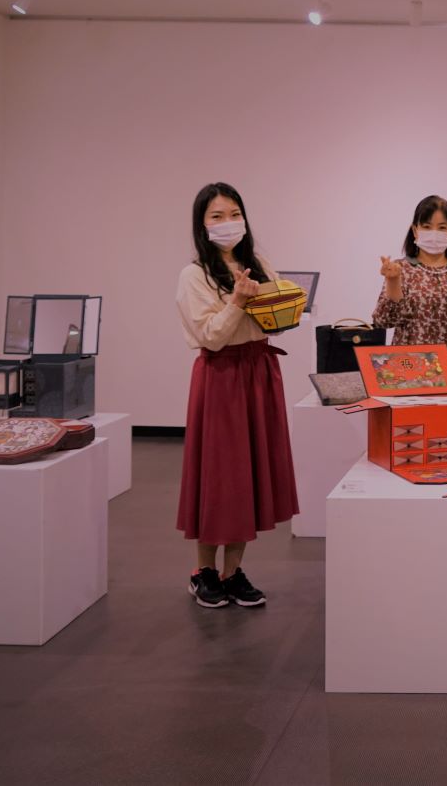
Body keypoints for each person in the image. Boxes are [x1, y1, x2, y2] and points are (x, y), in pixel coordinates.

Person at [174, 182, 299, 610]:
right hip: (222, 375)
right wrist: (239, 302)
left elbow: (274, 321)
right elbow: (210, 337)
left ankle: (232, 572)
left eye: (234, 214)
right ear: (202, 224)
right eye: (217, 216)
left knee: (248, 476)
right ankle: (204, 572)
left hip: (258, 371)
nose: (228, 223)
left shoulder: (258, 264)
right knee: (221, 476)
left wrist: (286, 304)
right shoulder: (194, 275)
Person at [372, 195, 447, 390]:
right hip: (409, 378)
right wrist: (393, 282)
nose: (434, 233)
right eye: (427, 226)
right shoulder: (400, 269)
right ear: (415, 230)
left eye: (442, 227)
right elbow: (383, 321)